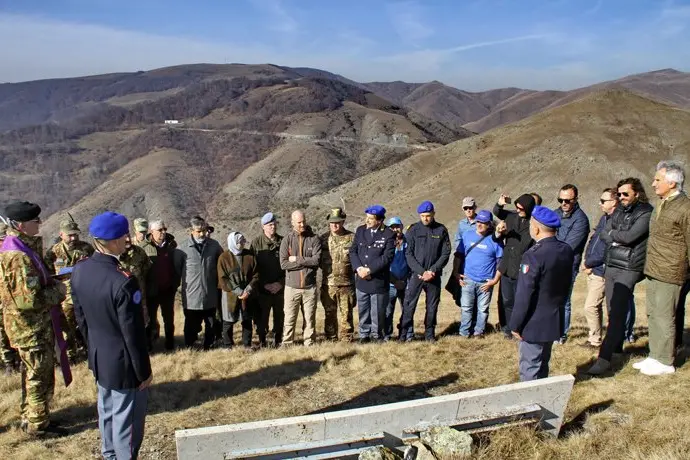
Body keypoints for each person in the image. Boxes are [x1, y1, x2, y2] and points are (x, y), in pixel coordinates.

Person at [71, 211, 152, 459]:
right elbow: (133, 334)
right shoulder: (123, 282)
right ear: (116, 241)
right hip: (124, 363)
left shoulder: (80, 270)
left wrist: (93, 348)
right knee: (127, 423)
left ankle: (109, 456)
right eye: (125, 236)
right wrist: (143, 373)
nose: (127, 240)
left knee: (106, 411)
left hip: (99, 356)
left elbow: (81, 320)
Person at [0, 202, 67, 436]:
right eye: (35, 221)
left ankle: (35, 417)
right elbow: (27, 300)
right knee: (37, 375)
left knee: (35, 373)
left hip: (32, 325)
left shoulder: (21, 247)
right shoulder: (17, 255)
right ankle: (37, 426)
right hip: (30, 327)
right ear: (20, 225)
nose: (39, 223)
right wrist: (59, 291)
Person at [586, 178, 653, 375]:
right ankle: (616, 348)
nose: (621, 197)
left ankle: (604, 358)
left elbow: (631, 237)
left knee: (616, 312)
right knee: (611, 310)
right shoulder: (619, 212)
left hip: (630, 267)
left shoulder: (646, 212)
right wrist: (617, 238)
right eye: (620, 194)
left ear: (637, 194)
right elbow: (606, 234)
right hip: (612, 265)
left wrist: (616, 237)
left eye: (625, 194)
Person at [637, 161, 690, 375]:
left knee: (665, 315)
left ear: (672, 182)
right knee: (653, 313)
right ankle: (655, 355)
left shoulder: (685, 208)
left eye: (657, 180)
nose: (653, 183)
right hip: (654, 268)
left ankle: (665, 361)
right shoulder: (662, 203)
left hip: (671, 270)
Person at [509, 206, 574, 381]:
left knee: (529, 368)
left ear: (535, 228)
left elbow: (524, 295)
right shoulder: (566, 250)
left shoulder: (533, 255)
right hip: (554, 318)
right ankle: (544, 403)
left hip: (533, 322)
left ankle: (530, 407)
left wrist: (515, 324)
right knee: (543, 364)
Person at [399, 201, 451, 343]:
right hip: (417, 275)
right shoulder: (413, 230)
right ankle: (403, 334)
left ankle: (429, 334)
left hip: (433, 276)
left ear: (433, 214)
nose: (425, 219)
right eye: (422, 216)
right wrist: (421, 271)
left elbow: (445, 253)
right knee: (409, 304)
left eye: (428, 215)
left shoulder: (441, 230)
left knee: (432, 306)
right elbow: (408, 254)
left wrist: (433, 270)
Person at [44, 217, 94, 361]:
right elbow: (47, 276)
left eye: (75, 234)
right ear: (61, 235)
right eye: (70, 235)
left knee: (88, 324)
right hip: (64, 297)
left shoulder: (86, 248)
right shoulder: (53, 253)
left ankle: (90, 349)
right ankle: (71, 355)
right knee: (67, 327)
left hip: (85, 294)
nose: (73, 238)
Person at [493, 193, 536, 339]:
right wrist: (500, 204)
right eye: (516, 207)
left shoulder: (534, 223)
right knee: (507, 300)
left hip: (523, 267)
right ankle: (508, 329)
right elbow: (498, 212)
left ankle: (520, 328)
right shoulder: (511, 217)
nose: (518, 210)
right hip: (507, 265)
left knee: (521, 301)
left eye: (521, 208)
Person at [350, 205, 395, 343]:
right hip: (361, 280)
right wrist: (358, 268)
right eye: (367, 217)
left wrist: (369, 270)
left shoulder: (388, 234)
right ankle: (364, 335)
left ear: (380, 220)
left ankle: (376, 336)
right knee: (363, 310)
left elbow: (387, 257)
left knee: (377, 312)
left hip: (377, 280)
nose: (367, 221)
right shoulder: (361, 230)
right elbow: (353, 251)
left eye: (371, 218)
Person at [579, 188, 618, 348]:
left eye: (603, 201)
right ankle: (596, 337)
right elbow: (594, 240)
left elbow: (605, 249)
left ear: (614, 202)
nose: (599, 203)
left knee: (590, 306)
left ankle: (596, 340)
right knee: (596, 306)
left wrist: (589, 263)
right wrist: (586, 259)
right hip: (593, 268)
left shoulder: (615, 221)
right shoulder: (604, 218)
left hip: (601, 270)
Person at [455, 210, 503, 338]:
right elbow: (459, 255)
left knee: (482, 309)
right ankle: (464, 332)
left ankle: (478, 332)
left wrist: (495, 280)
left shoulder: (495, 240)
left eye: (483, 222)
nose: (480, 224)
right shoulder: (467, 235)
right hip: (468, 279)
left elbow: (501, 262)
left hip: (486, 282)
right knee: (466, 308)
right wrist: (456, 272)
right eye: (478, 222)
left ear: (489, 224)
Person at [139, 220, 184, 350]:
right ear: (151, 232)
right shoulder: (143, 248)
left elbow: (176, 266)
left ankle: (170, 343)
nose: (163, 232)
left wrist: (175, 283)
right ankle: (149, 345)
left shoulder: (171, 246)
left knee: (169, 319)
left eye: (164, 229)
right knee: (150, 319)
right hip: (151, 291)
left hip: (168, 289)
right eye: (160, 230)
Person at [179, 216, 223, 350]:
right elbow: (177, 268)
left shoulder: (214, 246)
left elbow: (221, 264)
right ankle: (190, 346)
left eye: (204, 230)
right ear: (191, 231)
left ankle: (209, 346)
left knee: (210, 322)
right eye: (198, 231)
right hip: (191, 294)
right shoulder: (182, 248)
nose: (202, 234)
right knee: (191, 323)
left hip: (209, 292)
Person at [554, 184, 590, 344]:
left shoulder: (581, 220)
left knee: (564, 301)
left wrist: (550, 245)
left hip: (567, 266)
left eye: (567, 200)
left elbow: (568, 246)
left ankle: (561, 335)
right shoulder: (555, 214)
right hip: (551, 264)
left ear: (576, 199)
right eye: (560, 200)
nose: (564, 203)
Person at [280, 210, 322, 346]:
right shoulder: (287, 240)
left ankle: (309, 342)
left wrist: (296, 259)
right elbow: (284, 263)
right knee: (289, 318)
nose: (302, 224)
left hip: (310, 287)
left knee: (310, 318)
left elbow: (316, 261)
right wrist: (305, 263)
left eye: (303, 221)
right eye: (299, 222)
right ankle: (287, 343)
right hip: (292, 287)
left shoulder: (314, 239)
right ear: (292, 223)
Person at [319, 208, 356, 341]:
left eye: (338, 222)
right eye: (332, 222)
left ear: (343, 222)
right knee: (329, 314)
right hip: (328, 284)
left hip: (347, 284)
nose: (335, 225)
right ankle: (331, 339)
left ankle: (347, 340)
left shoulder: (352, 237)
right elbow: (317, 260)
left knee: (346, 315)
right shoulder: (323, 239)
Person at [218, 232, 259, 349]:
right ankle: (228, 345)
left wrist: (248, 289)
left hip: (247, 294)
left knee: (246, 319)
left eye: (243, 241)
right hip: (229, 294)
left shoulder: (249, 256)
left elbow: (256, 275)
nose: (242, 244)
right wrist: (238, 291)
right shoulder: (224, 257)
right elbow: (223, 278)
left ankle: (247, 344)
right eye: (239, 242)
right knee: (228, 320)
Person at [251, 212, 285, 347]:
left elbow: (288, 266)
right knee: (262, 317)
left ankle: (278, 340)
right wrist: (263, 284)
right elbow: (252, 267)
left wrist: (280, 283)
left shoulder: (283, 241)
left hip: (279, 288)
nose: (273, 227)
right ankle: (262, 341)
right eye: (270, 225)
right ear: (263, 227)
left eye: (274, 224)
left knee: (279, 317)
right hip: (262, 289)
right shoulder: (256, 243)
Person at [119, 234, 154, 331]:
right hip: (121, 297)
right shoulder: (114, 256)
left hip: (139, 297)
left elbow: (147, 270)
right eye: (124, 237)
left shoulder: (139, 252)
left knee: (143, 324)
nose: (127, 239)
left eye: (128, 236)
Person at [0, 222, 19, 375]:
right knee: (1, 334)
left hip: (13, 302)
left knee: (16, 331)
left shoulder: (13, 255)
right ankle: (9, 363)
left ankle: (20, 360)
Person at [386, 217, 409, 341]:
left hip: (406, 283)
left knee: (407, 310)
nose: (395, 229)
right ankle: (387, 336)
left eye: (397, 226)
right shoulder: (386, 243)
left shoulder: (409, 241)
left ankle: (406, 335)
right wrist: (395, 281)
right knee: (388, 312)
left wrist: (404, 280)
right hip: (390, 283)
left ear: (402, 226)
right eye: (392, 227)